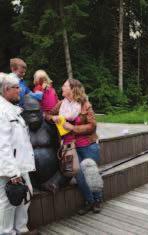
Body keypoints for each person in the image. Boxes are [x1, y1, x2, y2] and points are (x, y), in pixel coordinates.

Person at [45, 78, 103, 215]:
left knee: (91, 173)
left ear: (72, 89)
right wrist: (52, 118)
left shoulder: (85, 105)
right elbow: (46, 115)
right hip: (69, 147)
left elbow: (92, 125)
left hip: (88, 145)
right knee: (79, 176)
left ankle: (98, 200)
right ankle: (89, 201)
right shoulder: (60, 104)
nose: (62, 88)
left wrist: (73, 127)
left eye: (65, 86)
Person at [0, 73, 36, 234]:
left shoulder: (12, 109)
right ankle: (7, 233)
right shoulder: (2, 112)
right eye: (17, 88)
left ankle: (21, 229)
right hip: (10, 168)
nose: (20, 92)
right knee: (8, 202)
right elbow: (2, 145)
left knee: (25, 197)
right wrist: (12, 172)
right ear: (6, 89)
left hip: (20, 164)